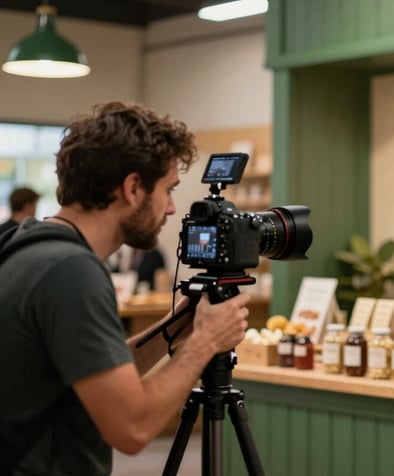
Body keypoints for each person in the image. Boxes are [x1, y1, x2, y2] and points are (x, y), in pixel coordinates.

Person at [0, 102, 251, 475]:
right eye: (168, 190)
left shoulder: (26, 242)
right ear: (133, 187)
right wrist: (206, 343)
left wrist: (177, 326)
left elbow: (101, 374)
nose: (170, 209)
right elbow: (132, 427)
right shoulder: (71, 272)